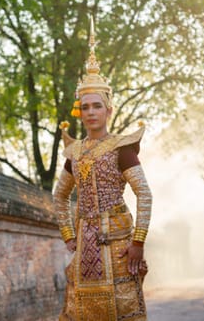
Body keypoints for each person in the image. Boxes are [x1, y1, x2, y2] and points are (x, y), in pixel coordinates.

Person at [53, 18, 152, 320]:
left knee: (122, 309)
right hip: (85, 249)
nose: (91, 112)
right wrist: (69, 235)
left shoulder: (122, 148)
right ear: (79, 111)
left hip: (120, 244)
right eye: (85, 107)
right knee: (82, 311)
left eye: (97, 106)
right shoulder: (74, 151)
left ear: (109, 109)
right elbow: (60, 197)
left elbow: (144, 195)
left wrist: (137, 242)